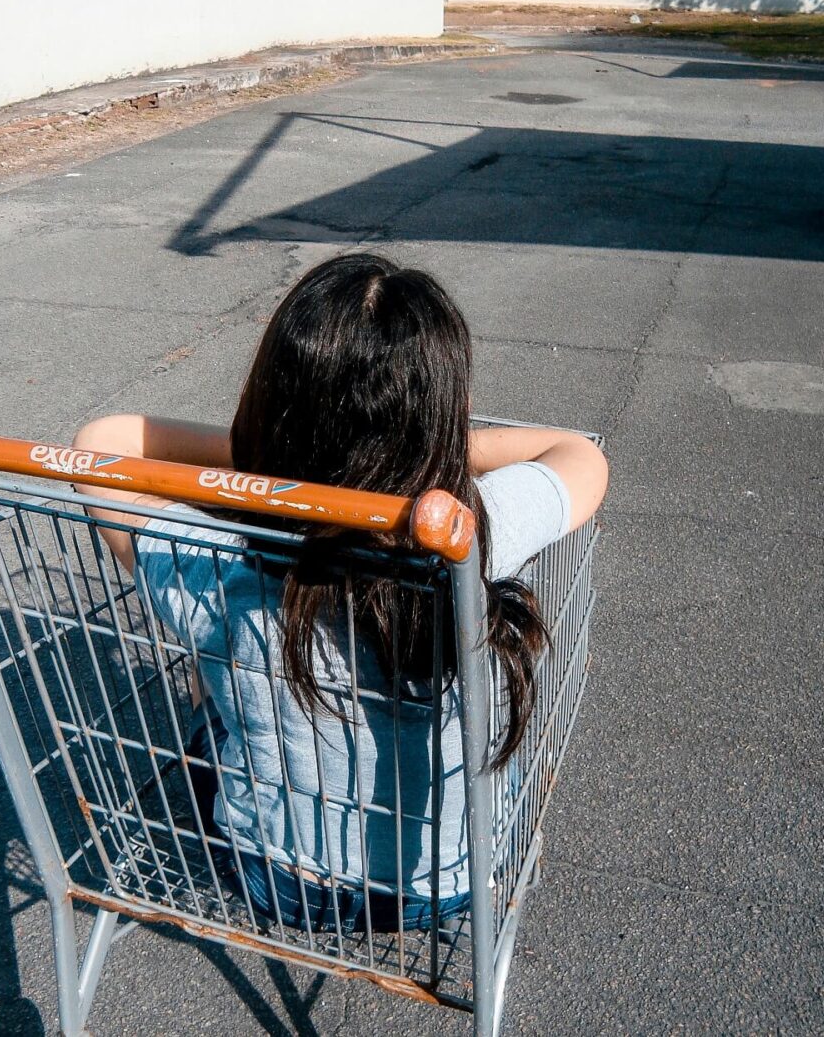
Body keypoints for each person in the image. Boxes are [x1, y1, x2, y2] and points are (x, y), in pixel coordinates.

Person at [71, 254, 608, 933]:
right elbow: (580, 454)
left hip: (277, 878)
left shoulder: (216, 562)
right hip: (450, 876)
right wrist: (433, 454)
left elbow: (101, 445)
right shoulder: (469, 535)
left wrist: (267, 465)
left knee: (212, 687)